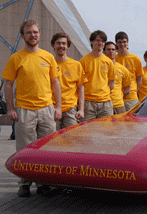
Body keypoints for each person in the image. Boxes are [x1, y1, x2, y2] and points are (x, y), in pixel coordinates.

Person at [2, 20, 62, 197]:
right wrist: (10, 109)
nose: (33, 35)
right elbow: (8, 84)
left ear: (39, 34)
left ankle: (44, 184)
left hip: (46, 110)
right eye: (29, 32)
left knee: (47, 149)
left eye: (35, 32)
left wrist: (57, 107)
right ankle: (24, 183)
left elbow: (55, 83)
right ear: (22, 36)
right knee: (24, 149)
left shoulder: (48, 57)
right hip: (24, 110)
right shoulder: (16, 58)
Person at [51, 33, 87, 130]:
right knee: (53, 140)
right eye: (58, 43)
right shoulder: (48, 64)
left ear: (68, 46)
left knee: (72, 139)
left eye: (64, 43)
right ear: (53, 45)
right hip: (52, 108)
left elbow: (81, 88)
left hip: (70, 109)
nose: (61, 46)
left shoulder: (76, 65)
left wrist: (81, 109)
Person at [79, 30, 115, 122]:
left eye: (103, 41)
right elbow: (80, 84)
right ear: (91, 42)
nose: (100, 43)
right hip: (88, 103)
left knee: (106, 132)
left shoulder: (108, 62)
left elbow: (111, 83)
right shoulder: (83, 61)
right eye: (98, 40)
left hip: (105, 104)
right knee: (87, 132)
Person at [115, 31, 143, 111]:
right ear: (116, 43)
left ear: (128, 42)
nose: (122, 44)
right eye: (119, 42)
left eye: (124, 42)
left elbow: (139, 79)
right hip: (116, 98)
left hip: (131, 98)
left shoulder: (135, 59)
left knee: (133, 122)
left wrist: (134, 91)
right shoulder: (113, 59)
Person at [103, 41, 131, 114]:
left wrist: (119, 95)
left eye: (113, 49)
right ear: (104, 51)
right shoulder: (100, 67)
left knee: (122, 125)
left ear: (116, 51)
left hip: (118, 104)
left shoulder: (123, 69)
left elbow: (128, 89)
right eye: (108, 49)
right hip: (103, 104)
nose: (111, 51)